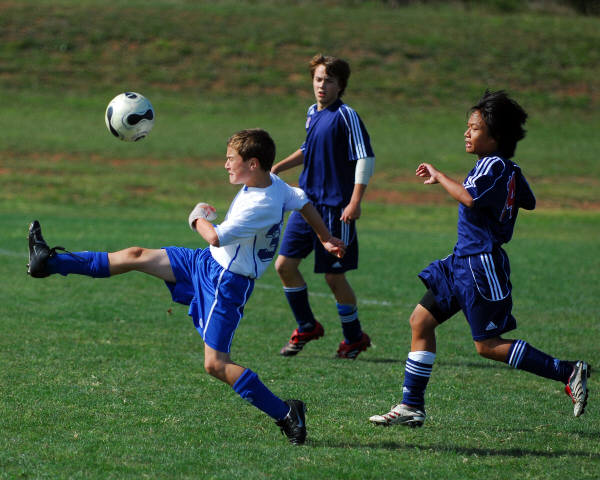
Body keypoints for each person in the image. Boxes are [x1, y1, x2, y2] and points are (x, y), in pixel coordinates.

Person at [27, 128, 346, 445]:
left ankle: (287, 414)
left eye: (231, 159)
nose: (225, 164)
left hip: (226, 283)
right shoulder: (273, 183)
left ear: (252, 163)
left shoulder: (260, 205)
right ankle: (49, 262)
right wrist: (325, 237)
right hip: (205, 263)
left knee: (216, 364)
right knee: (136, 255)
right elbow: (302, 201)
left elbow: (214, 236)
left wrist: (197, 216)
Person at [369, 90, 590, 428]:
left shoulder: (494, 165)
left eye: (474, 128)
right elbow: (528, 201)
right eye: (468, 127)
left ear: (495, 136)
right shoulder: (508, 168)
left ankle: (568, 371)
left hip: (479, 266)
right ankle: (411, 406)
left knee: (486, 345)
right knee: (420, 321)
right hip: (460, 261)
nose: (467, 133)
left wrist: (440, 176)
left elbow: (470, 198)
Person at [272, 54, 375, 359]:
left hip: (336, 209)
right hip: (306, 204)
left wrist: (355, 201)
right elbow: (309, 147)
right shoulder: (312, 112)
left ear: (340, 85)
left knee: (334, 277)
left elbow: (365, 157)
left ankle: (354, 338)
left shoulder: (346, 115)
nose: (321, 85)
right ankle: (307, 326)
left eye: (329, 81)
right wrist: (278, 167)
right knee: (284, 266)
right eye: (318, 79)